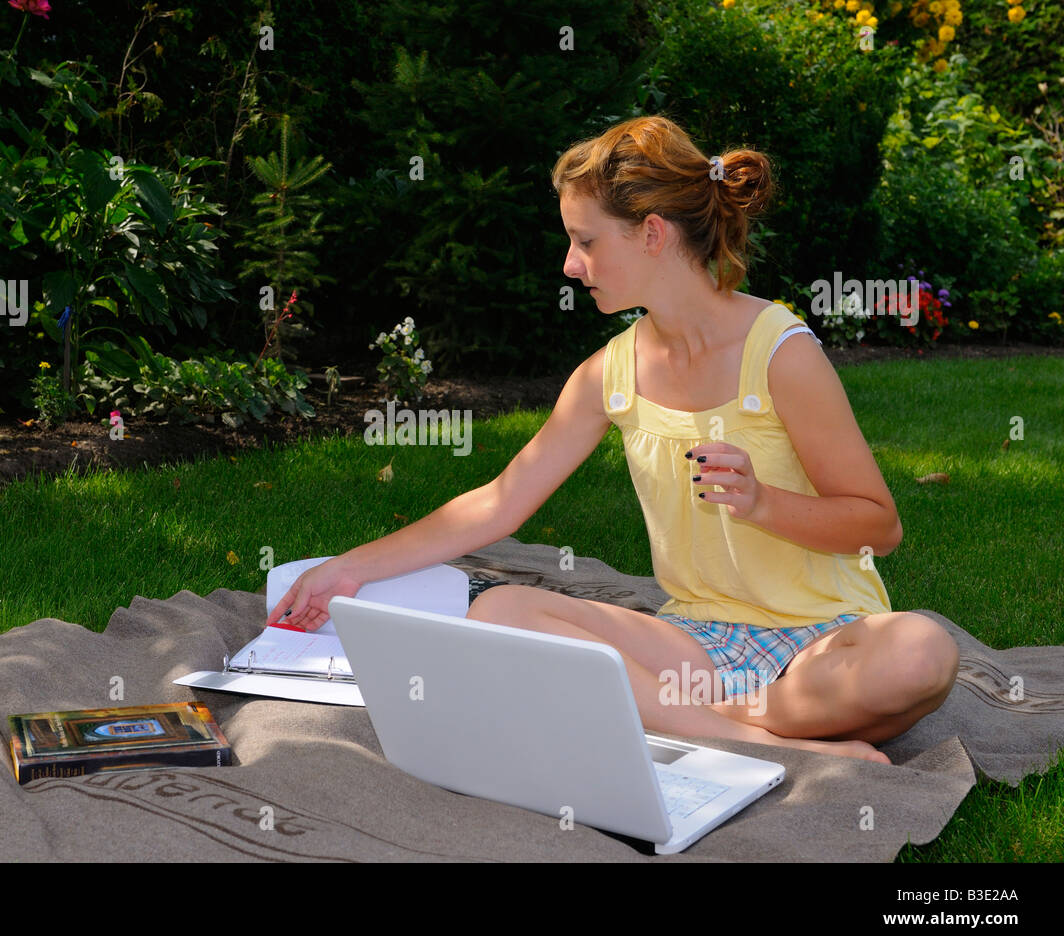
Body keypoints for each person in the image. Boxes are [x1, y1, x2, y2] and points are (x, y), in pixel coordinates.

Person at [265, 115, 959, 764]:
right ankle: (757, 736)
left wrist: (762, 503)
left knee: (921, 653)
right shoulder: (611, 372)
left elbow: (879, 524)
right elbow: (499, 503)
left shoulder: (778, 352)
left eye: (586, 240)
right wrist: (349, 568)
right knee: (504, 609)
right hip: (698, 644)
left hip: (825, 641)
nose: (571, 263)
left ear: (653, 233)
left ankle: (707, 720)